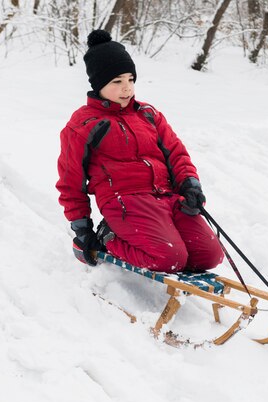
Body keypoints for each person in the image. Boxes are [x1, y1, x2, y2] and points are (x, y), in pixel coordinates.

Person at [56, 29, 224, 273]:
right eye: (117, 82)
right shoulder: (84, 125)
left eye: (130, 80)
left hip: (166, 197)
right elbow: (71, 182)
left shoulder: (148, 114)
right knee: (170, 259)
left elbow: (176, 154)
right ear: (98, 84)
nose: (126, 88)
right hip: (125, 202)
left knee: (209, 256)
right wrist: (82, 229)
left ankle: (163, 236)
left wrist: (190, 184)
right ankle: (109, 236)